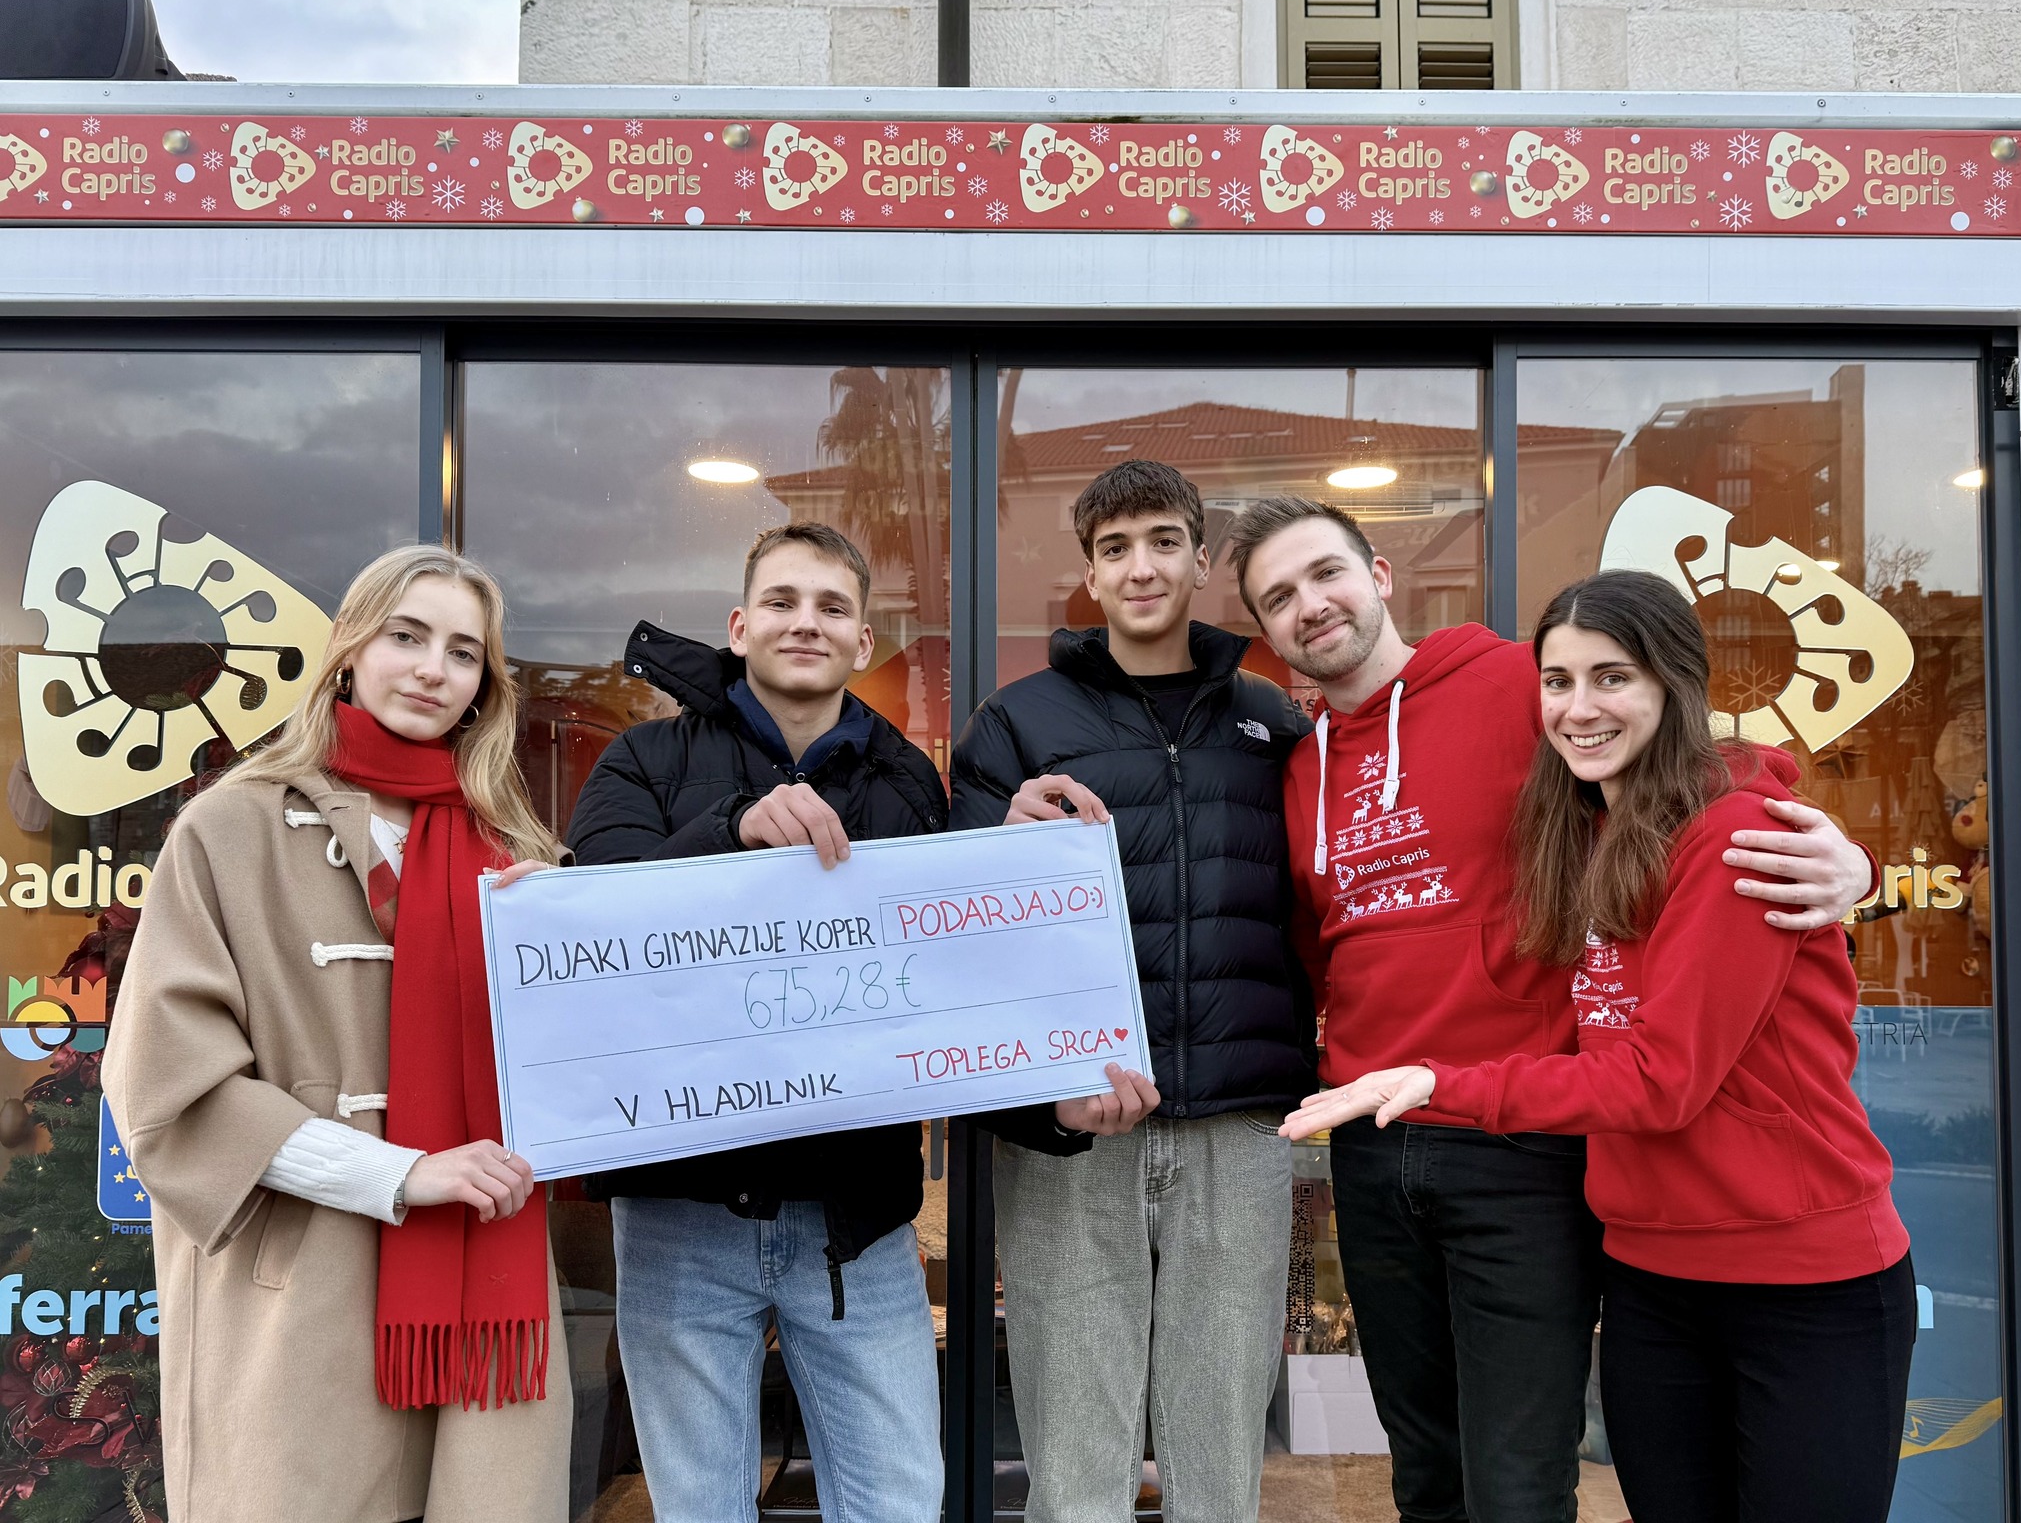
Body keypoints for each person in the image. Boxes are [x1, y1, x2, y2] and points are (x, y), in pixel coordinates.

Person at [1225, 495, 1875, 1523]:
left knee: (1518, 1482)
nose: (1310, 605)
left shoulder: (1511, 682)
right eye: (1278, 597)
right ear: (1265, 630)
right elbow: (1317, 947)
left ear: (1379, 575)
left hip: (1523, 1140)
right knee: (1423, 1469)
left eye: (1325, 573)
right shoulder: (1301, 768)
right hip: (1377, 1141)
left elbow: (1684, 762)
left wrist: (1843, 859)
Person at [104, 545, 571, 1523]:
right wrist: (400, 1174)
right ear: (350, 650)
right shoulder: (227, 828)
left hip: (482, 1295)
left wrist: (560, 949)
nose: (433, 670)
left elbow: (568, 1082)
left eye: (463, 652)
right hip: (299, 1292)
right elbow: (165, 1086)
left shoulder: (515, 851)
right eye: (407, 636)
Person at [564, 522, 957, 1523]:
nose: (805, 622)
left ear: (862, 640)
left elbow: (949, 966)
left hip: (856, 1220)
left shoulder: (909, 782)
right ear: (739, 628)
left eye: (831, 607)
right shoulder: (642, 760)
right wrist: (727, 831)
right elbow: (586, 932)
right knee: (700, 1507)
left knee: (900, 1502)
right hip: (680, 1214)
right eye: (782, 602)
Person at [949, 459, 1313, 1523]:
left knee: (1220, 1462)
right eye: (1115, 549)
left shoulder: (1271, 721)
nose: (1140, 567)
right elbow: (955, 927)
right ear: (1090, 576)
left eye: (1162, 542)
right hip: (1074, 1130)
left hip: (1240, 1128)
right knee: (1075, 1466)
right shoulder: (1013, 724)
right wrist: (998, 835)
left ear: (1201, 562)